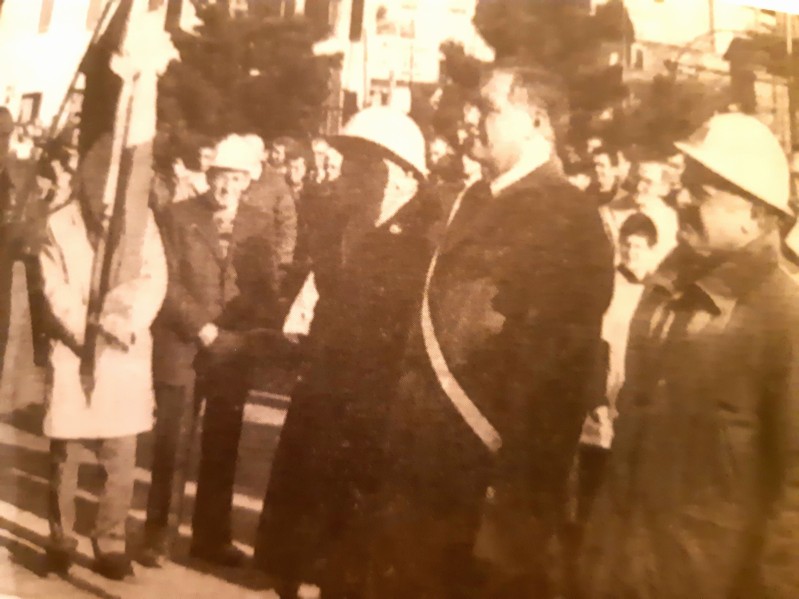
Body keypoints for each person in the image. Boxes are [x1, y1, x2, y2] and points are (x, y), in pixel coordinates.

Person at [374, 65, 614, 599]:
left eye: (488, 108)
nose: (470, 117)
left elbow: (557, 378)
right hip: (424, 465)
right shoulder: (475, 197)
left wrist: (515, 499)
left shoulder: (567, 215)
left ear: (535, 121)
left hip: (481, 478)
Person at [579, 113, 799, 599]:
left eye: (702, 192)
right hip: (622, 571)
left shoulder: (786, 315)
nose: (680, 200)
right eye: (684, 185)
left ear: (755, 215)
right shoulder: (665, 291)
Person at [253, 106, 438, 599]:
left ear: (401, 175)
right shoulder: (342, 227)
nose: (348, 174)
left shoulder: (426, 241)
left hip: (376, 410)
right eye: (349, 161)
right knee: (300, 522)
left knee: (352, 548)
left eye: (363, 164)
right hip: (323, 393)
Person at [140, 135, 280, 568]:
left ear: (247, 182)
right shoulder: (177, 216)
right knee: (172, 443)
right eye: (220, 176)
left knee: (223, 443)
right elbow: (165, 281)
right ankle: (157, 537)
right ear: (209, 176)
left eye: (236, 178)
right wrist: (201, 329)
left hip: (233, 350)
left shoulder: (258, 221)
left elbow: (264, 285)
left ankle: (210, 539)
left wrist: (252, 333)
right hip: (183, 344)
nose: (226, 187)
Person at [38, 136, 168, 580]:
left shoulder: (142, 222)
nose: (109, 203)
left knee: (121, 451)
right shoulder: (58, 224)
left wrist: (119, 320)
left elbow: (153, 278)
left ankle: (111, 541)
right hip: (76, 349)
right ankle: (61, 538)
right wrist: (84, 330)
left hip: (121, 348)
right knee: (67, 452)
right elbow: (53, 287)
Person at [243, 134, 298, 283]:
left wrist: (281, 263)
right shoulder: (235, 177)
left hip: (265, 263)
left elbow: (287, 225)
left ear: (262, 155)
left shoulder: (276, 182)